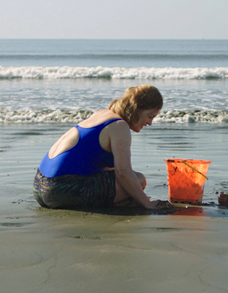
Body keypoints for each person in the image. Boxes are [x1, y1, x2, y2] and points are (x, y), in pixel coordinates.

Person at [33, 85, 171, 210]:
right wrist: (146, 203)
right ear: (137, 108)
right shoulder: (119, 126)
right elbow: (123, 172)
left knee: (131, 185)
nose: (150, 123)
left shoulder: (101, 114)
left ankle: (122, 202)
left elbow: (106, 169)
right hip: (61, 190)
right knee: (139, 180)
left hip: (39, 186)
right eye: (150, 116)